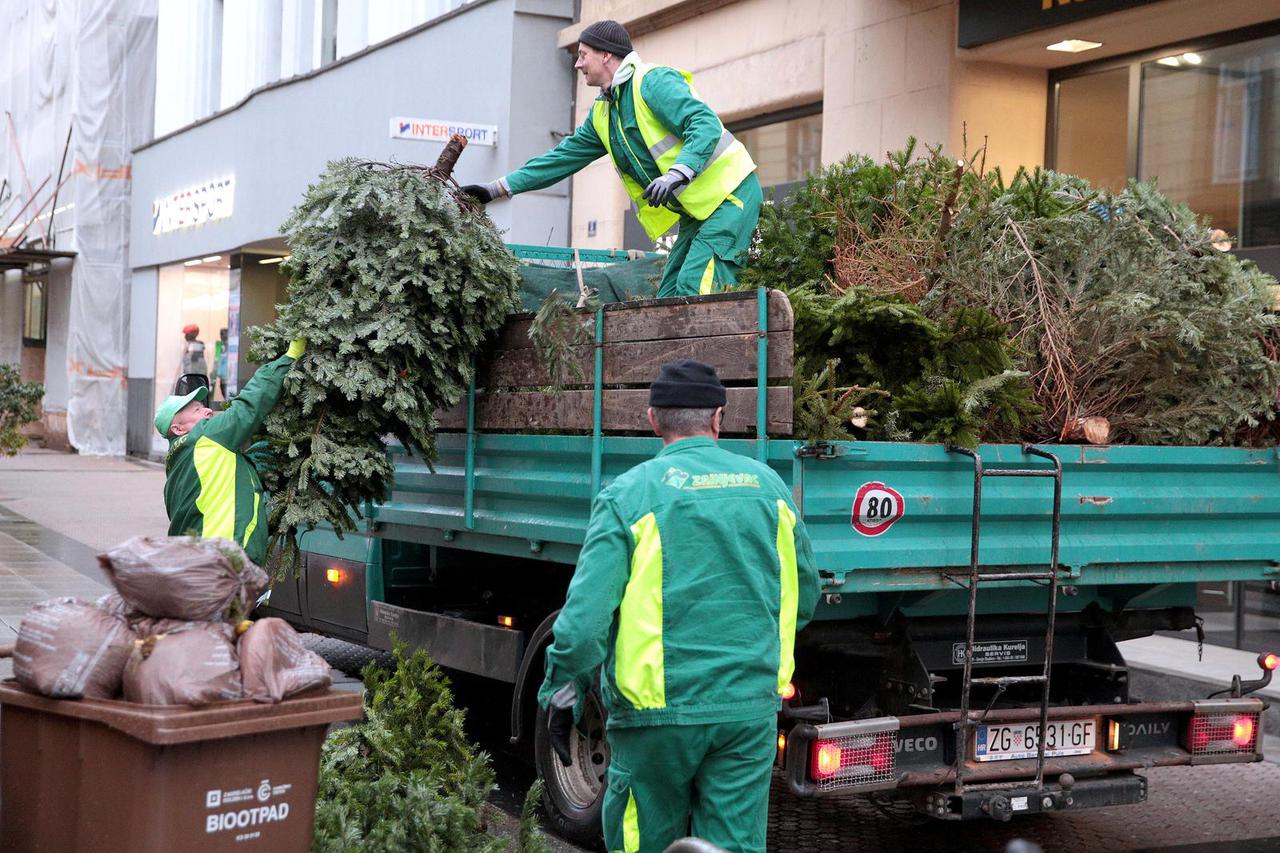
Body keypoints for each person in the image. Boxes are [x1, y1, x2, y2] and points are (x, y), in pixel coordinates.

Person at [537, 359, 820, 853]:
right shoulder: (769, 489)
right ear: (718, 419)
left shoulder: (628, 496)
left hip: (654, 721)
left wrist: (562, 688)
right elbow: (805, 596)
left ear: (652, 420)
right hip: (747, 711)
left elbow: (583, 628)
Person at [461, 20, 761, 299]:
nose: (577, 63)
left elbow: (704, 123)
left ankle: (711, 357)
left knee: (696, 290)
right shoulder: (603, 113)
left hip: (730, 196)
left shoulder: (652, 82)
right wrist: (496, 188)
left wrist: (678, 172)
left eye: (583, 54)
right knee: (669, 296)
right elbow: (561, 158)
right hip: (699, 211)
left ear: (606, 55)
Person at [153, 337, 305, 566]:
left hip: (197, 566)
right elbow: (247, 407)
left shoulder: (181, 463)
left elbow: (234, 471)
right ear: (178, 428)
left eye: (203, 406)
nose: (206, 411)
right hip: (223, 564)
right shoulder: (202, 438)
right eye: (196, 410)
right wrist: (288, 358)